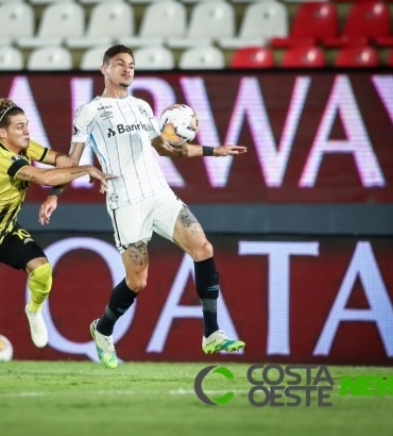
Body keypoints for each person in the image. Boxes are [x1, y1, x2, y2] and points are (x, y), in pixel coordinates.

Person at [38, 45, 248, 368]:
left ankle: (212, 333)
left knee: (202, 247)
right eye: (119, 64)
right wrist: (54, 194)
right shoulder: (90, 112)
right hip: (126, 201)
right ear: (104, 69)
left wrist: (212, 151)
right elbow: (72, 160)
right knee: (138, 281)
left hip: (158, 193)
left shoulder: (142, 107)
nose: (127, 69)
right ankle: (103, 329)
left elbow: (164, 149)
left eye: (132, 65)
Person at [0, 98, 113, 353]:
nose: (27, 131)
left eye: (27, 125)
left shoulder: (22, 148)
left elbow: (60, 161)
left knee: (42, 271)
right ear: (2, 133)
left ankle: (33, 312)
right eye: (20, 127)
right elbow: (45, 177)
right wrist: (86, 169)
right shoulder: (2, 160)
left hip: (7, 229)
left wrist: (83, 144)